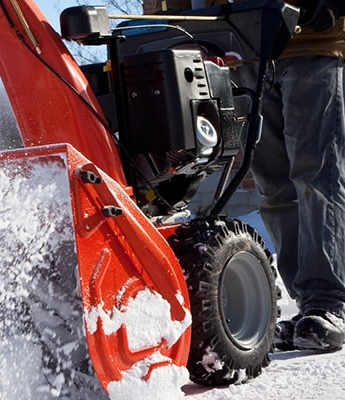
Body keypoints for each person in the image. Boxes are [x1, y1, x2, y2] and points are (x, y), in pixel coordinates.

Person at [145, 0, 345, 352]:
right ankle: (307, 305)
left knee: (316, 175)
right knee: (273, 184)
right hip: (247, 46)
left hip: (311, 42)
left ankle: (328, 302)